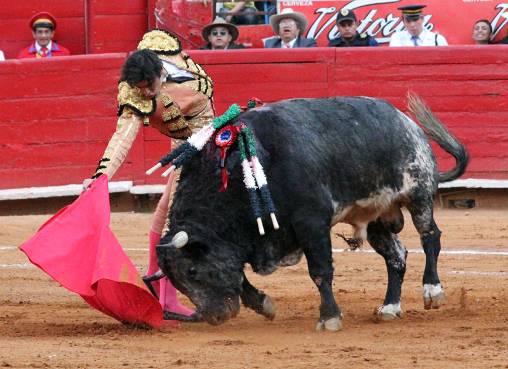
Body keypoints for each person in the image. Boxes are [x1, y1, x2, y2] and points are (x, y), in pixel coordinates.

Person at [83, 29, 214, 322]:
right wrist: (101, 176)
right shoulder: (136, 85)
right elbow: (123, 136)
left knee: (172, 207)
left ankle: (161, 285)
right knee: (173, 210)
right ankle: (165, 293)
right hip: (186, 143)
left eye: (149, 87)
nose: (146, 94)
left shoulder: (186, 81)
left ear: (160, 72)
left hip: (203, 142)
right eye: (140, 88)